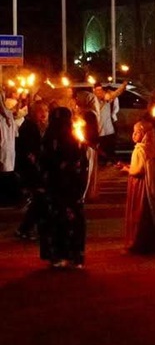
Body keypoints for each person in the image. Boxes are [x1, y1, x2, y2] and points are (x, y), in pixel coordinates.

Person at [38, 107, 89, 269]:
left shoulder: (70, 137)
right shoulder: (52, 138)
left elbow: (80, 162)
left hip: (65, 187)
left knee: (64, 219)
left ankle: (66, 255)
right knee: (64, 219)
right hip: (61, 186)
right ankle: (69, 255)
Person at [122, 120, 155, 253]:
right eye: (133, 132)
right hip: (150, 187)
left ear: (145, 134)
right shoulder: (153, 148)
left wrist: (126, 169)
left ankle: (138, 243)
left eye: (137, 132)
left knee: (139, 213)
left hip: (140, 187)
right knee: (148, 213)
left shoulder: (140, 149)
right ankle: (151, 243)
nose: (133, 135)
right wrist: (128, 166)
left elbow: (137, 171)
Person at [14, 100, 49, 241]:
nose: (44, 114)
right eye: (40, 111)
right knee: (40, 199)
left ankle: (28, 228)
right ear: (33, 112)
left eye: (46, 110)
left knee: (40, 200)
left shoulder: (38, 126)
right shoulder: (29, 128)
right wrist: (38, 166)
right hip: (31, 170)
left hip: (36, 169)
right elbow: (30, 152)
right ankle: (26, 229)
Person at [93, 81, 128, 165]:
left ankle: (110, 161)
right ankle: (102, 161)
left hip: (108, 128)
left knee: (109, 146)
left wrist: (123, 86)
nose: (99, 92)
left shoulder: (106, 97)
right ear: (94, 90)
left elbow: (116, 93)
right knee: (100, 147)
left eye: (100, 90)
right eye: (97, 90)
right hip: (98, 129)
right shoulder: (92, 100)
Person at [0, 90, 18, 207]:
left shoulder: (9, 115)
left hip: (5, 151)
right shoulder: (9, 115)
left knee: (5, 176)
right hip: (7, 151)